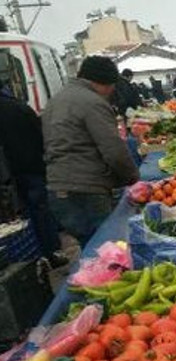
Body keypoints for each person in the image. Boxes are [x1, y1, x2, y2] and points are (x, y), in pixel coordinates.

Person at [41, 56, 140, 248]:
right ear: (102, 82)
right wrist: (133, 178)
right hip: (86, 190)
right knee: (107, 250)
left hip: (58, 188)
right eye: (112, 85)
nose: (112, 91)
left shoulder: (56, 100)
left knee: (90, 250)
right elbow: (113, 149)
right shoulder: (93, 102)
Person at [0, 80, 66, 266]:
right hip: (31, 169)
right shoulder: (18, 108)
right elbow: (41, 135)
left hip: (9, 177)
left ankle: (34, 257)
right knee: (41, 211)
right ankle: (51, 253)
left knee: (21, 220)